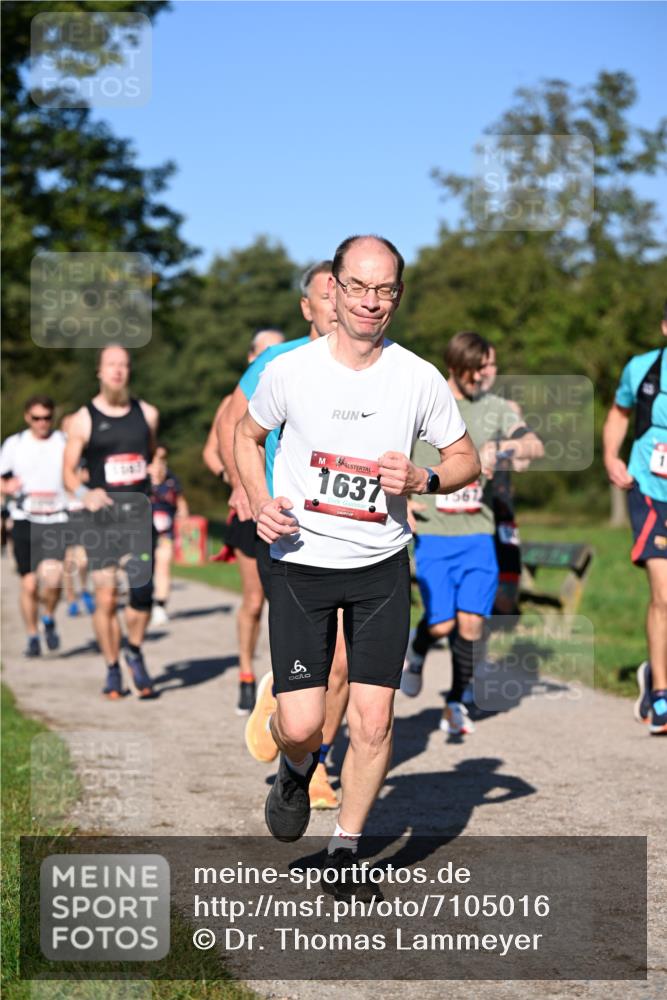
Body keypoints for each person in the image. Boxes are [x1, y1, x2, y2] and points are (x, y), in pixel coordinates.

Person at [234, 235, 480, 872]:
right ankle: (295, 768)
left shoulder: (418, 377)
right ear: (334, 290)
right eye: (359, 287)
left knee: (373, 721)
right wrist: (259, 498)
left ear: (397, 295)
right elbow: (245, 432)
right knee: (301, 723)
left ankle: (347, 849)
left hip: (379, 567)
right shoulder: (290, 370)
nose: (371, 302)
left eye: (385, 289)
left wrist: (423, 479)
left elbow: (464, 459)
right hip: (299, 563)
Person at [218, 260, 348, 810]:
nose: (338, 304)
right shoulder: (277, 360)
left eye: (344, 293)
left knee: (342, 661)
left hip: (351, 534)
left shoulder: (374, 366)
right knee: (314, 653)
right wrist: (248, 487)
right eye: (327, 295)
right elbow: (234, 423)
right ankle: (288, 713)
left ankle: (313, 763)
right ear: (308, 307)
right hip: (288, 530)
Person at [401, 331, 543, 736]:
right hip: (434, 532)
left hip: (478, 535)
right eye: (477, 369)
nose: (484, 376)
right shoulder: (424, 402)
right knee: (443, 624)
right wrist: (404, 500)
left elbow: (534, 446)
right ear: (456, 366)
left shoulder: (497, 409)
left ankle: (455, 701)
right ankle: (418, 646)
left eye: (490, 367)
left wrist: (503, 449)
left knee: (472, 624)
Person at [63, 344, 159, 699]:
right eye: (111, 365)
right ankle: (113, 667)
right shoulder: (83, 419)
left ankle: (133, 649)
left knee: (143, 595)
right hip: (100, 521)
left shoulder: (147, 413)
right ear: (100, 372)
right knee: (105, 600)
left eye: (123, 365)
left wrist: (159, 463)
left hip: (138, 518)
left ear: (129, 370)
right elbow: (68, 472)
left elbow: (154, 450)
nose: (117, 371)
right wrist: (84, 491)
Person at [204, 328, 285, 714]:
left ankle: (282, 682)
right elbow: (210, 452)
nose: (271, 356)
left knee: (284, 603)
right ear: (250, 358)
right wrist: (234, 478)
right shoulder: (232, 401)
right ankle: (245, 673)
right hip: (248, 512)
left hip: (282, 508)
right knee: (254, 601)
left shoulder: (291, 386)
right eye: (263, 351)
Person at [603, 302, 667, 735]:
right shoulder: (642, 370)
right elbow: (619, 413)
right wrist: (610, 456)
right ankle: (662, 694)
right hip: (650, 490)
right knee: (665, 592)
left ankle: (650, 673)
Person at [0, 395, 68, 656]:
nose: (42, 423)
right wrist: (7, 486)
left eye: (47, 418)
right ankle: (31, 635)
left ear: (53, 418)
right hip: (24, 518)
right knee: (28, 584)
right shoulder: (15, 444)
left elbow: (77, 472)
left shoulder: (63, 442)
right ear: (28, 417)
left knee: (53, 579)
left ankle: (48, 617)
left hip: (56, 518)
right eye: (37, 418)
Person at [148, 444, 189, 626]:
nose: (158, 467)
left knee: (163, 567)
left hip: (166, 532)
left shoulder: (172, 481)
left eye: (161, 462)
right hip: (142, 534)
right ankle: (144, 600)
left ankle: (160, 606)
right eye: (154, 462)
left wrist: (184, 522)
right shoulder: (140, 482)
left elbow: (181, 504)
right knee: (144, 569)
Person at [60, 413, 95, 617]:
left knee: (82, 560)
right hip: (63, 512)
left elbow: (91, 476)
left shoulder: (85, 451)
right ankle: (71, 598)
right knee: (67, 561)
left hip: (82, 511)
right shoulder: (56, 451)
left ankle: (84, 590)